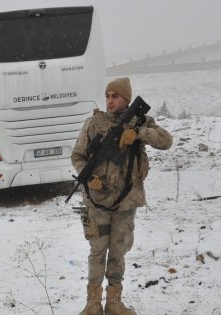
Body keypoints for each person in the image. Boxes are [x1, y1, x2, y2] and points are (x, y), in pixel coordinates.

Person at [71, 77, 173, 315]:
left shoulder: (141, 122)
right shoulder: (93, 124)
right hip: (96, 201)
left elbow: (166, 141)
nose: (110, 100)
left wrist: (138, 133)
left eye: (115, 96)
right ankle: (93, 304)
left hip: (127, 202)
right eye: (107, 96)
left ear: (126, 99)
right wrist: (87, 178)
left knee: (118, 252)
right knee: (97, 252)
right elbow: (77, 156)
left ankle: (114, 303)